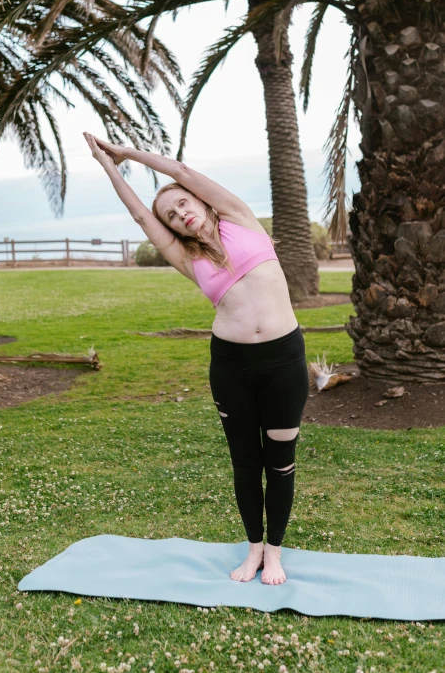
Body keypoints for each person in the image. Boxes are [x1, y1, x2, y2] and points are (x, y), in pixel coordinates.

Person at [83, 132, 309, 586]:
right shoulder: (186, 258)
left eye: (184, 204)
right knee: (245, 463)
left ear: (202, 203)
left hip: (283, 361)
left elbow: (181, 172)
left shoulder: (242, 219)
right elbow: (140, 215)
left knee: (280, 462)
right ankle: (253, 551)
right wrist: (110, 171)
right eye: (171, 215)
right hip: (231, 368)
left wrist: (126, 153)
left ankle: (276, 554)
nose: (179, 214)